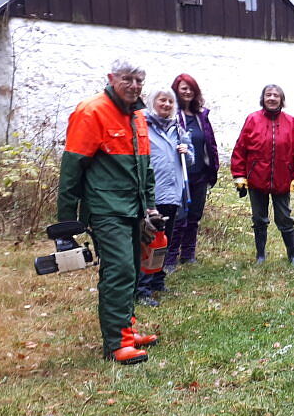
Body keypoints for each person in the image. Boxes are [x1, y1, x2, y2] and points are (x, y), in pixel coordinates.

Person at [57, 59, 160, 365]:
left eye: (139, 80)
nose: (134, 85)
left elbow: (145, 166)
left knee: (132, 267)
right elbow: (72, 167)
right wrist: (65, 224)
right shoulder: (91, 111)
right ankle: (117, 343)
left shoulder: (137, 114)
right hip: (105, 209)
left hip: (133, 208)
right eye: (127, 79)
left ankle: (127, 330)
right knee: (119, 271)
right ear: (112, 78)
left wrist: (150, 206)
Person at [231, 84, 294, 266]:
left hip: (282, 180)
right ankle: (260, 255)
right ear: (263, 98)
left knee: (284, 218)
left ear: (282, 99)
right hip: (256, 179)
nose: (272, 98)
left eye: (276, 95)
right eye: (268, 95)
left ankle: (292, 256)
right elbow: (240, 149)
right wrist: (239, 175)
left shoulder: (291, 122)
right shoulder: (252, 120)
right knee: (259, 219)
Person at [135, 88, 194, 306]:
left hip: (172, 194)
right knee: (148, 241)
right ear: (153, 102)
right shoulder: (143, 127)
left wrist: (186, 153)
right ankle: (142, 288)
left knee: (164, 241)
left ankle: (158, 281)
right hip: (152, 195)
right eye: (162, 100)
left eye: (170, 101)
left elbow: (191, 161)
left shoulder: (178, 130)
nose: (167, 104)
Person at [164, 74, 219, 272]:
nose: (187, 92)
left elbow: (209, 143)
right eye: (183, 88)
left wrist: (212, 169)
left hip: (199, 174)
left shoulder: (201, 115)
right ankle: (170, 257)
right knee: (178, 217)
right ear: (176, 90)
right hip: (178, 175)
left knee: (194, 216)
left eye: (191, 88)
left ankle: (188, 254)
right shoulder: (169, 114)